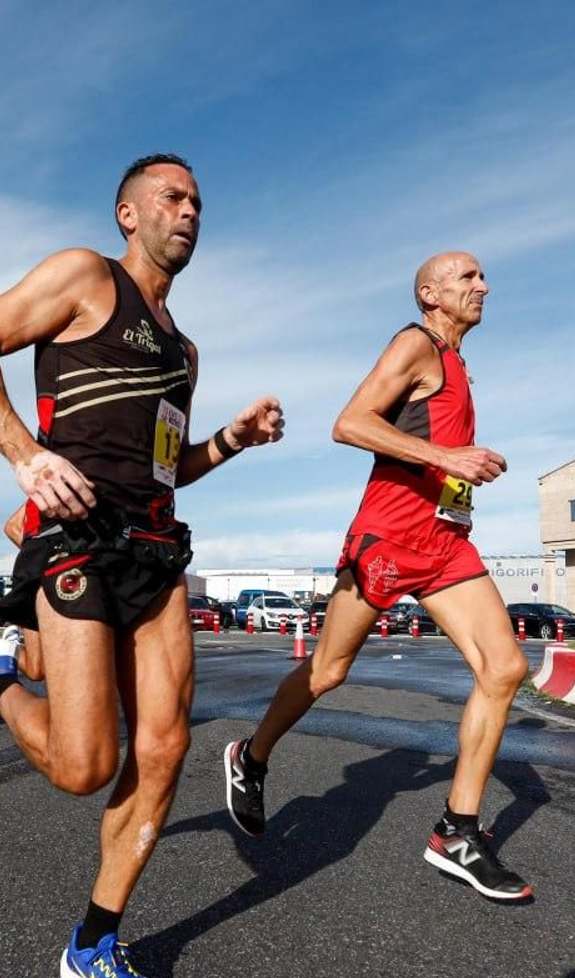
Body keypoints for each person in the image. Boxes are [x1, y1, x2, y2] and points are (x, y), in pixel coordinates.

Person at [0, 153, 283, 978]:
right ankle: (0, 681)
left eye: (199, 200)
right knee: (86, 766)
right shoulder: (85, 277)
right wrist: (26, 454)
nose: (190, 210)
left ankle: (94, 945)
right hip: (77, 537)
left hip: (158, 552)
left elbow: (171, 467)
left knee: (162, 752)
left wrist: (231, 440)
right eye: (173, 197)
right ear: (128, 213)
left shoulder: (184, 349)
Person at [222, 252, 534, 902]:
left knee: (503, 669)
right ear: (430, 293)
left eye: (483, 276)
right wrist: (446, 455)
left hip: (445, 544)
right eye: (468, 277)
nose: (484, 286)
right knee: (328, 671)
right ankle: (251, 757)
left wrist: (458, 469)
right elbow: (350, 422)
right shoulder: (414, 344)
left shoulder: (458, 364)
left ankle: (459, 830)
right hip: (387, 539)